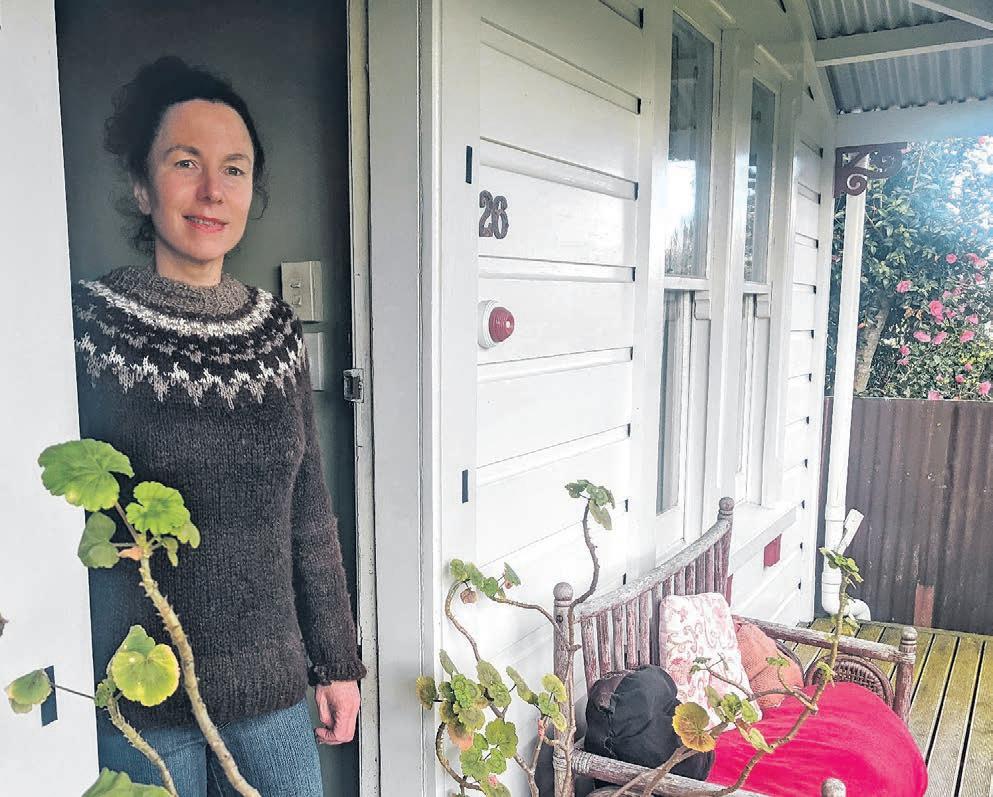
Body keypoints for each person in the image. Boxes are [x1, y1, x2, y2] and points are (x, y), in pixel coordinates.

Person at [70, 56, 365, 796]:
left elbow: (308, 509)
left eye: (233, 169)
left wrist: (337, 662)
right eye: (185, 162)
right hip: (140, 699)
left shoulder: (276, 332)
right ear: (142, 186)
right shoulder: (89, 328)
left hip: (271, 691)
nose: (212, 190)